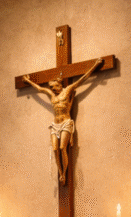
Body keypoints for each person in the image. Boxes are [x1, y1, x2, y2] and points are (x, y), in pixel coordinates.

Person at [21, 56, 105, 184]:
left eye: (54, 87)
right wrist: (28, 81)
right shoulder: (51, 95)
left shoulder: (67, 90)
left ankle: (63, 173)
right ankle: (60, 171)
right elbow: (39, 89)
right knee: (54, 149)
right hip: (56, 124)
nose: (53, 89)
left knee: (62, 148)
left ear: (59, 84)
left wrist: (95, 66)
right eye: (52, 88)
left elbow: (82, 79)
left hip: (66, 123)